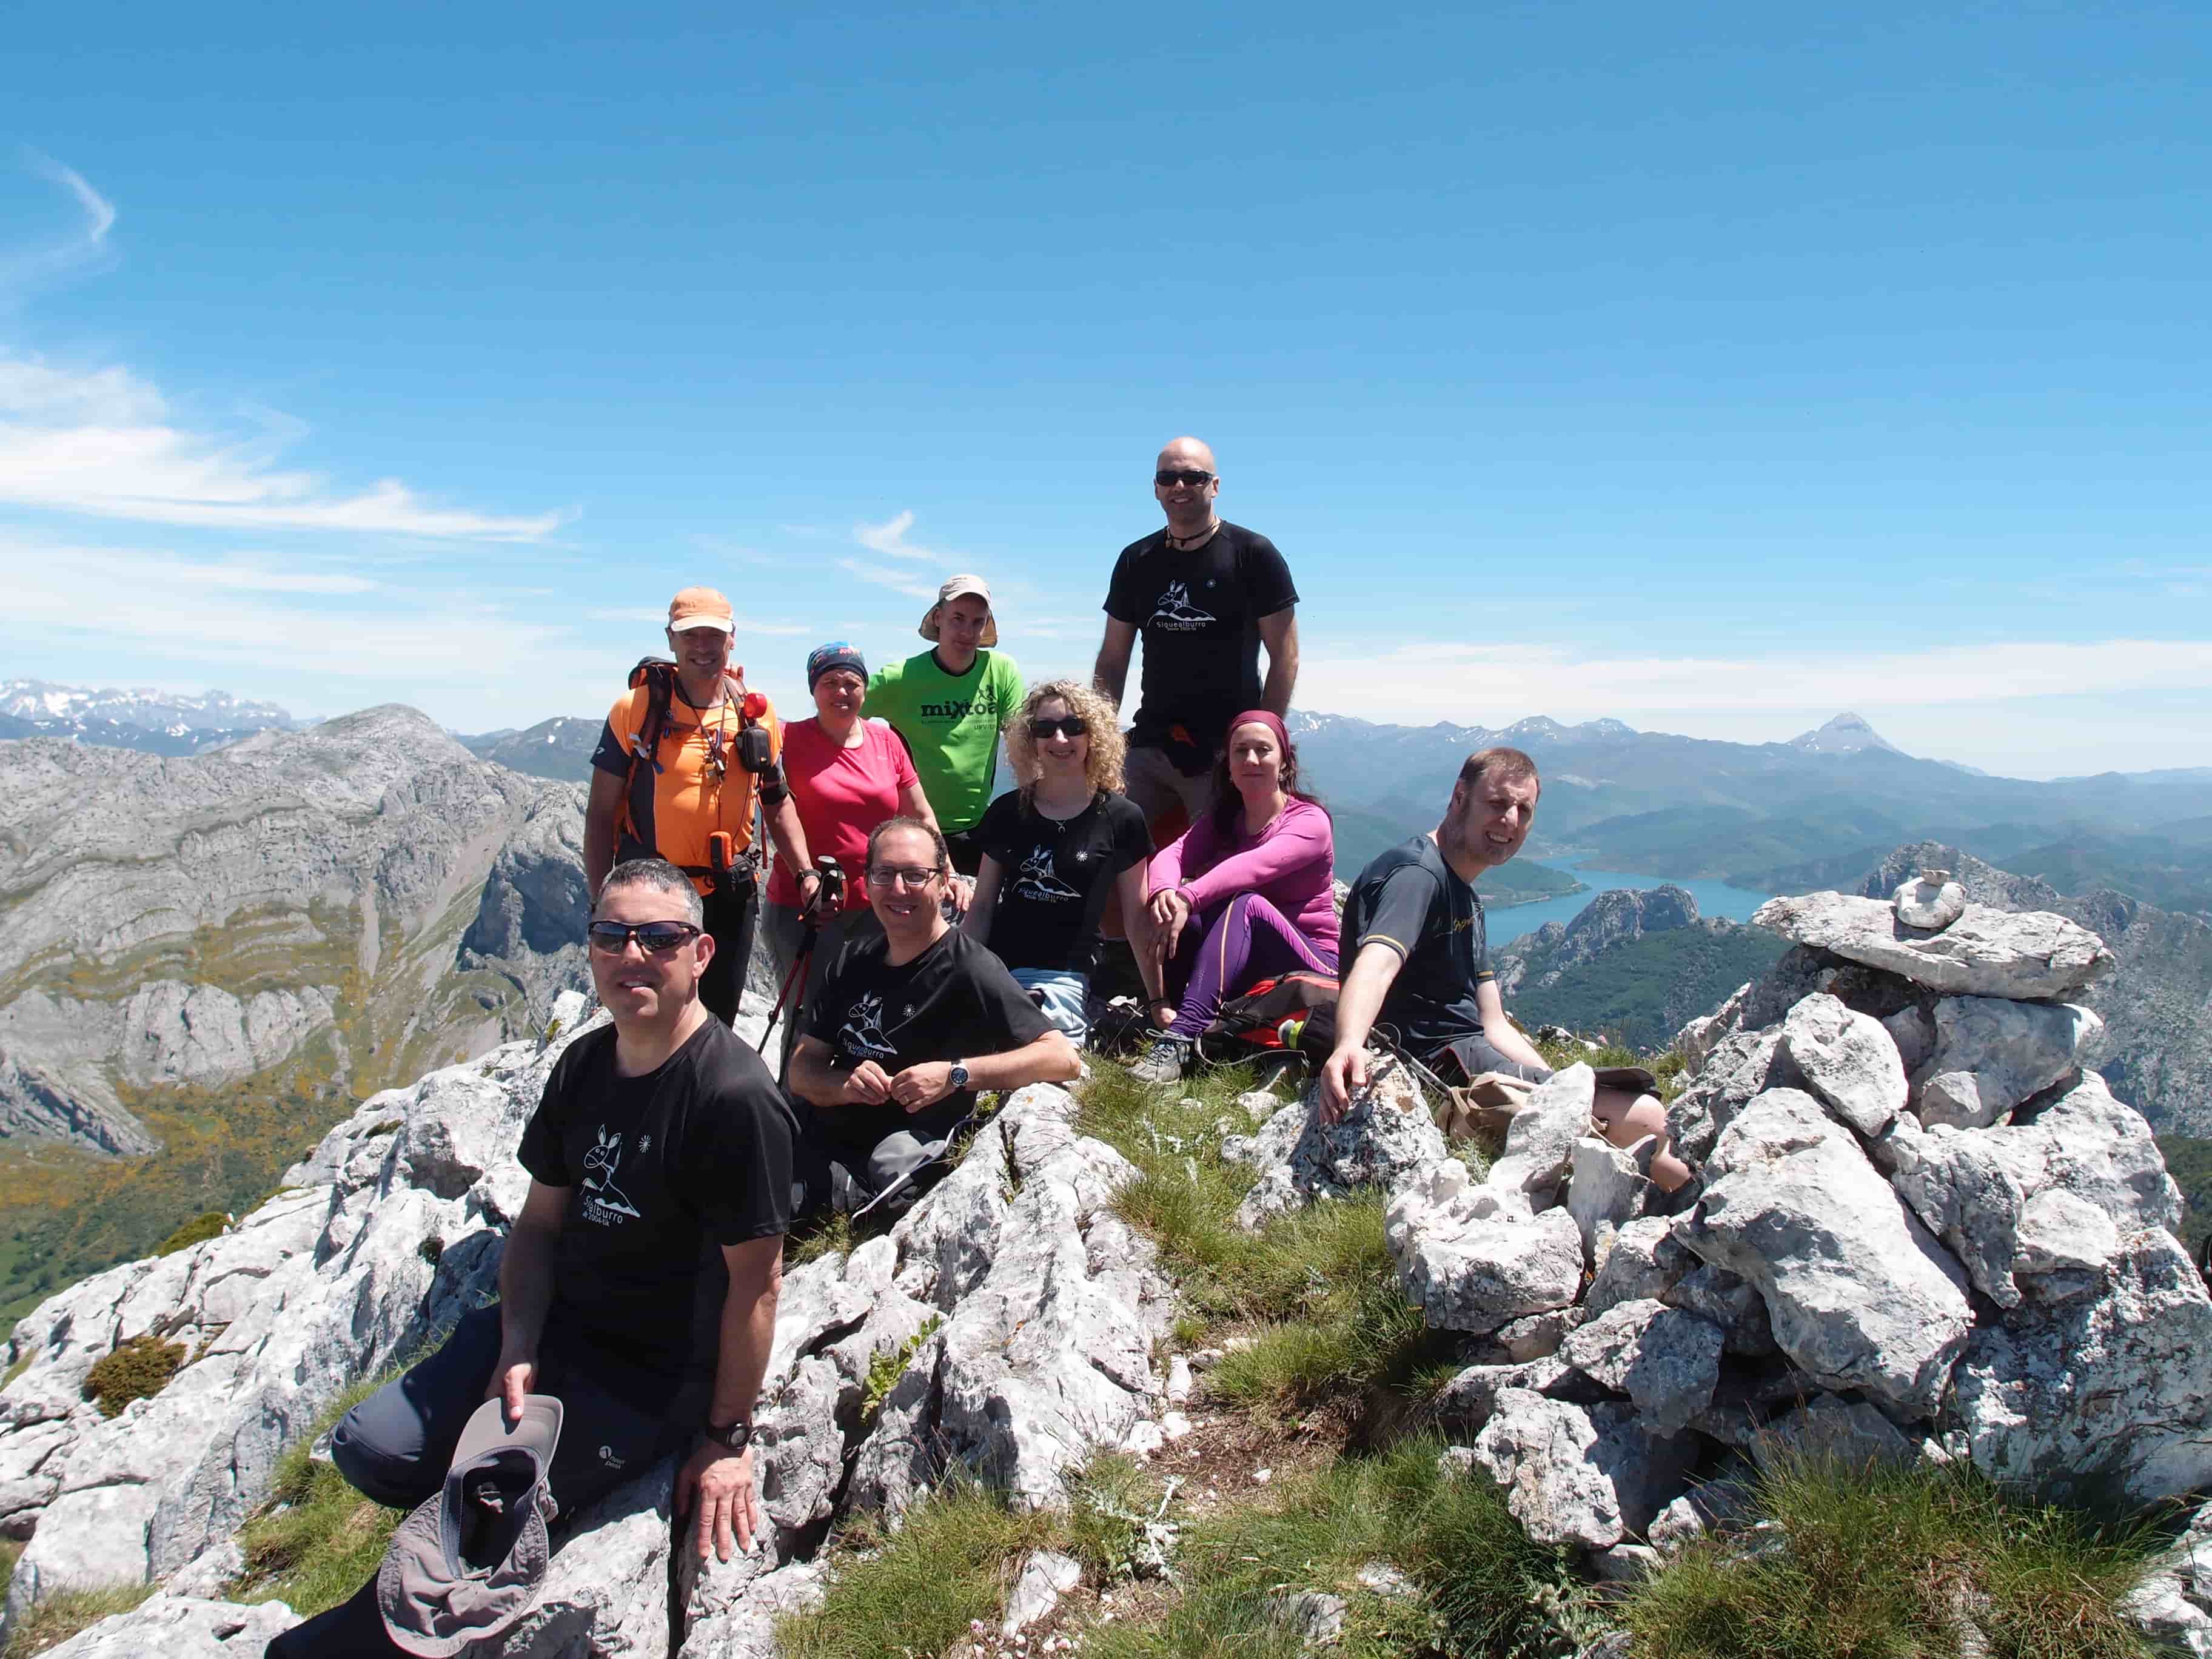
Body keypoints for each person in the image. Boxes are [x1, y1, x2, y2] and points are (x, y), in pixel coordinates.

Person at [267, 859, 795, 1657]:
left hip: (645, 1379)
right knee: (370, 1448)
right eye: (612, 935)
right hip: (554, 1334)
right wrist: (517, 1344)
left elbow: (757, 1289)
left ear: (702, 955)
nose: (633, 955)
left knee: (481, 1527)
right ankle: (474, 1488)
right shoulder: (585, 1065)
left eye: (660, 938)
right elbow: (540, 1227)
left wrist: (725, 1441)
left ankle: (342, 1639)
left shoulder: (733, 1098)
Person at [1318, 748, 1695, 1196]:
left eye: (1524, 810)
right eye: (1497, 804)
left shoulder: (1468, 899)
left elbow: (1492, 1020)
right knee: (1649, 1120)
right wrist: (1347, 1045)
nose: (1510, 821)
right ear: (1460, 798)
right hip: (1441, 1065)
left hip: (1475, 1051)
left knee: (1659, 1115)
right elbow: (1377, 962)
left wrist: (1560, 1086)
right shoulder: (1418, 875)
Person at [788, 817, 1080, 1213]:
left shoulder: (970, 968)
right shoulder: (851, 960)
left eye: (915, 875)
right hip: (828, 1134)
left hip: (903, 1143)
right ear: (867, 880)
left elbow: (1062, 1057)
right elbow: (802, 1070)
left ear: (944, 882)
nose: (898, 889)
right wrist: (844, 1085)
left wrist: (954, 1075)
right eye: (885, 874)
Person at [585, 586, 811, 1025]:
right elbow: (600, 814)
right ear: (671, 639)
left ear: (733, 639)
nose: (703, 647)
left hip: (730, 894)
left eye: (714, 635)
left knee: (716, 1020)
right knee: (652, 1019)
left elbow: (776, 801)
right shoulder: (636, 710)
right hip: (653, 900)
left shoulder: (755, 714)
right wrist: (602, 904)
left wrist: (806, 873)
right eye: (691, 636)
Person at [1093, 438, 1300, 827]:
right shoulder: (1137, 560)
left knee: (1218, 869)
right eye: (1168, 477)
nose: (1179, 486)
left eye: (1193, 477)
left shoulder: (1254, 554)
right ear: (1155, 488)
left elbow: (1285, 656)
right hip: (1150, 743)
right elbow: (1113, 657)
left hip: (1224, 752)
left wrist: (1261, 738)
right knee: (1111, 849)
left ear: (1215, 486)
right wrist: (1099, 735)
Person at [1129, 711, 1337, 1085]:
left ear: (1285, 762)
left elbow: (1254, 867)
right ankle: (1176, 1011)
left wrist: (1188, 896)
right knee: (1183, 915)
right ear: (1229, 765)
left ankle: (1182, 1037)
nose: (1252, 760)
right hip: (1252, 965)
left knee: (1245, 904)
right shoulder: (1227, 819)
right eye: (1241, 751)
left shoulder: (1309, 822)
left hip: (1314, 962)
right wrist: (1164, 895)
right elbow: (1171, 856)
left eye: (1263, 750)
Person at [761, 642, 940, 1042]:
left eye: (852, 682)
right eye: (830, 682)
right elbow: (775, 809)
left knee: (869, 1015)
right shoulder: (787, 739)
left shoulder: (886, 742)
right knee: (809, 1020)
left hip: (878, 906)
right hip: (805, 906)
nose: (842, 692)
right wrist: (806, 876)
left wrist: (943, 868)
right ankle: (796, 1103)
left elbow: (921, 814)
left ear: (865, 689)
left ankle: (850, 1103)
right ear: (813, 688)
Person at [964, 680, 1158, 1044]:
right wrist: (957, 971)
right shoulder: (1008, 811)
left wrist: (1159, 1000)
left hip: (1066, 971)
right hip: (999, 962)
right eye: (1045, 729)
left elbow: (1136, 917)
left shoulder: (1121, 818)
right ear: (1030, 740)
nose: (1060, 739)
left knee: (1043, 1041)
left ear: (1093, 736)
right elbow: (983, 906)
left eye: (1074, 727)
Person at [866, 575, 1024, 877]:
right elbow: (843, 721)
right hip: (913, 829)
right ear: (939, 618)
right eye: (958, 619)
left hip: (978, 828)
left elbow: (1023, 745)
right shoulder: (900, 678)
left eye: (978, 622)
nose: (967, 632)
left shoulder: (1001, 671)